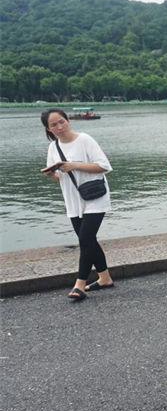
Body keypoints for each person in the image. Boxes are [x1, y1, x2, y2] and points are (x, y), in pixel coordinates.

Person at [40, 108, 114, 302]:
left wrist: (74, 165)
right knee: (88, 239)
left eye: (61, 121)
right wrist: (51, 175)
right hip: (73, 199)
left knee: (85, 238)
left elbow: (104, 166)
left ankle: (80, 283)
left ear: (68, 120)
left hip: (95, 196)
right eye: (54, 125)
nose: (59, 126)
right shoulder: (53, 148)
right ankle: (104, 278)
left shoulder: (84, 140)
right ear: (48, 129)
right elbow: (59, 177)